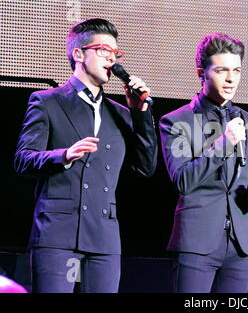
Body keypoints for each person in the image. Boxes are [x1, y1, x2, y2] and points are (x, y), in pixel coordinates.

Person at [14, 18, 158, 293]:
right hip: (57, 233)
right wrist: (64, 155)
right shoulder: (47, 101)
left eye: (115, 53)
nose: (112, 58)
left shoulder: (121, 113)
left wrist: (141, 114)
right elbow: (23, 159)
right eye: (104, 50)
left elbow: (145, 167)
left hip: (104, 237)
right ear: (78, 54)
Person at [159, 33, 248, 293]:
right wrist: (223, 144)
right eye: (222, 70)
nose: (231, 79)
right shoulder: (177, 121)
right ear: (202, 73)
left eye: (236, 70)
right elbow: (183, 181)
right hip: (196, 243)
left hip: (239, 246)